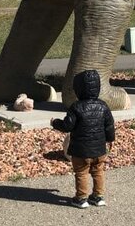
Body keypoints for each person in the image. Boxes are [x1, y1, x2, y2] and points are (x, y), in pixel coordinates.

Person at [50, 69, 116, 208]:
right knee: (98, 171)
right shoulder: (103, 106)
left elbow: (67, 126)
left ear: (78, 89)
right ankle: (98, 196)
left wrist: (55, 123)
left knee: (81, 173)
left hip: (81, 150)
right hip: (99, 149)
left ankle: (81, 198)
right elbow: (109, 125)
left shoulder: (76, 107)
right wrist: (110, 139)